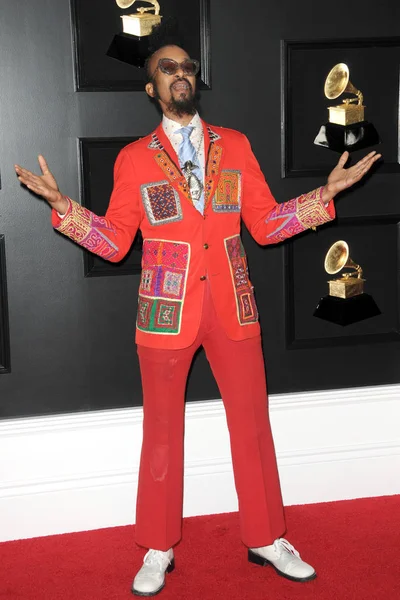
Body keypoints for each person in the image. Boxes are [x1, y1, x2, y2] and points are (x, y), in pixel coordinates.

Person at [15, 40, 380, 597]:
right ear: (150, 88)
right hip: (164, 313)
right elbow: (114, 243)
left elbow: (262, 225)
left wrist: (322, 197)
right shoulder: (133, 158)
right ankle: (158, 546)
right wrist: (64, 209)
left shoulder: (234, 145)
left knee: (252, 428)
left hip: (234, 306)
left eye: (187, 66)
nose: (180, 74)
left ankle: (265, 537)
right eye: (167, 68)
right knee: (161, 433)